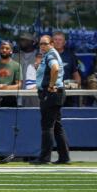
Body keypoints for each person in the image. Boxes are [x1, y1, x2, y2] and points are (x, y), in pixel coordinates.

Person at [32, 35, 70, 165]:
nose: (42, 46)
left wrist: (50, 86)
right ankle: (64, 157)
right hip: (56, 94)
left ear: (52, 44)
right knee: (57, 127)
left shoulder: (50, 54)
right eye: (40, 44)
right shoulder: (49, 54)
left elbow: (55, 68)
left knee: (47, 126)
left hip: (51, 94)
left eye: (45, 43)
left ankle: (44, 158)